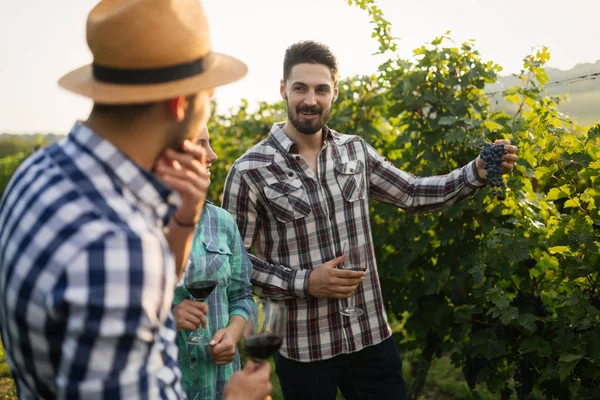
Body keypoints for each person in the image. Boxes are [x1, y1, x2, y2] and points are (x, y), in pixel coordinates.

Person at [0, 1, 271, 399]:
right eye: (208, 95)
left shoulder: (35, 173)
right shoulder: (120, 248)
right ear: (180, 103)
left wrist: (182, 222)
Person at [221, 40, 518, 400]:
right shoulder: (249, 170)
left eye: (321, 89)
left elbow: (411, 192)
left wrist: (475, 172)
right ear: (283, 88)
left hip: (370, 335)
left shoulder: (355, 151)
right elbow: (234, 265)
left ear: (335, 92)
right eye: (300, 88)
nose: (310, 99)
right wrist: (305, 282)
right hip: (305, 347)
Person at [172, 125, 254, 400]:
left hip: (220, 384)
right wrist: (168, 320)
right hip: (170, 384)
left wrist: (232, 333)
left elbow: (242, 294)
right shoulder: (140, 226)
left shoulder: (222, 222)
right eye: (201, 144)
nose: (214, 155)